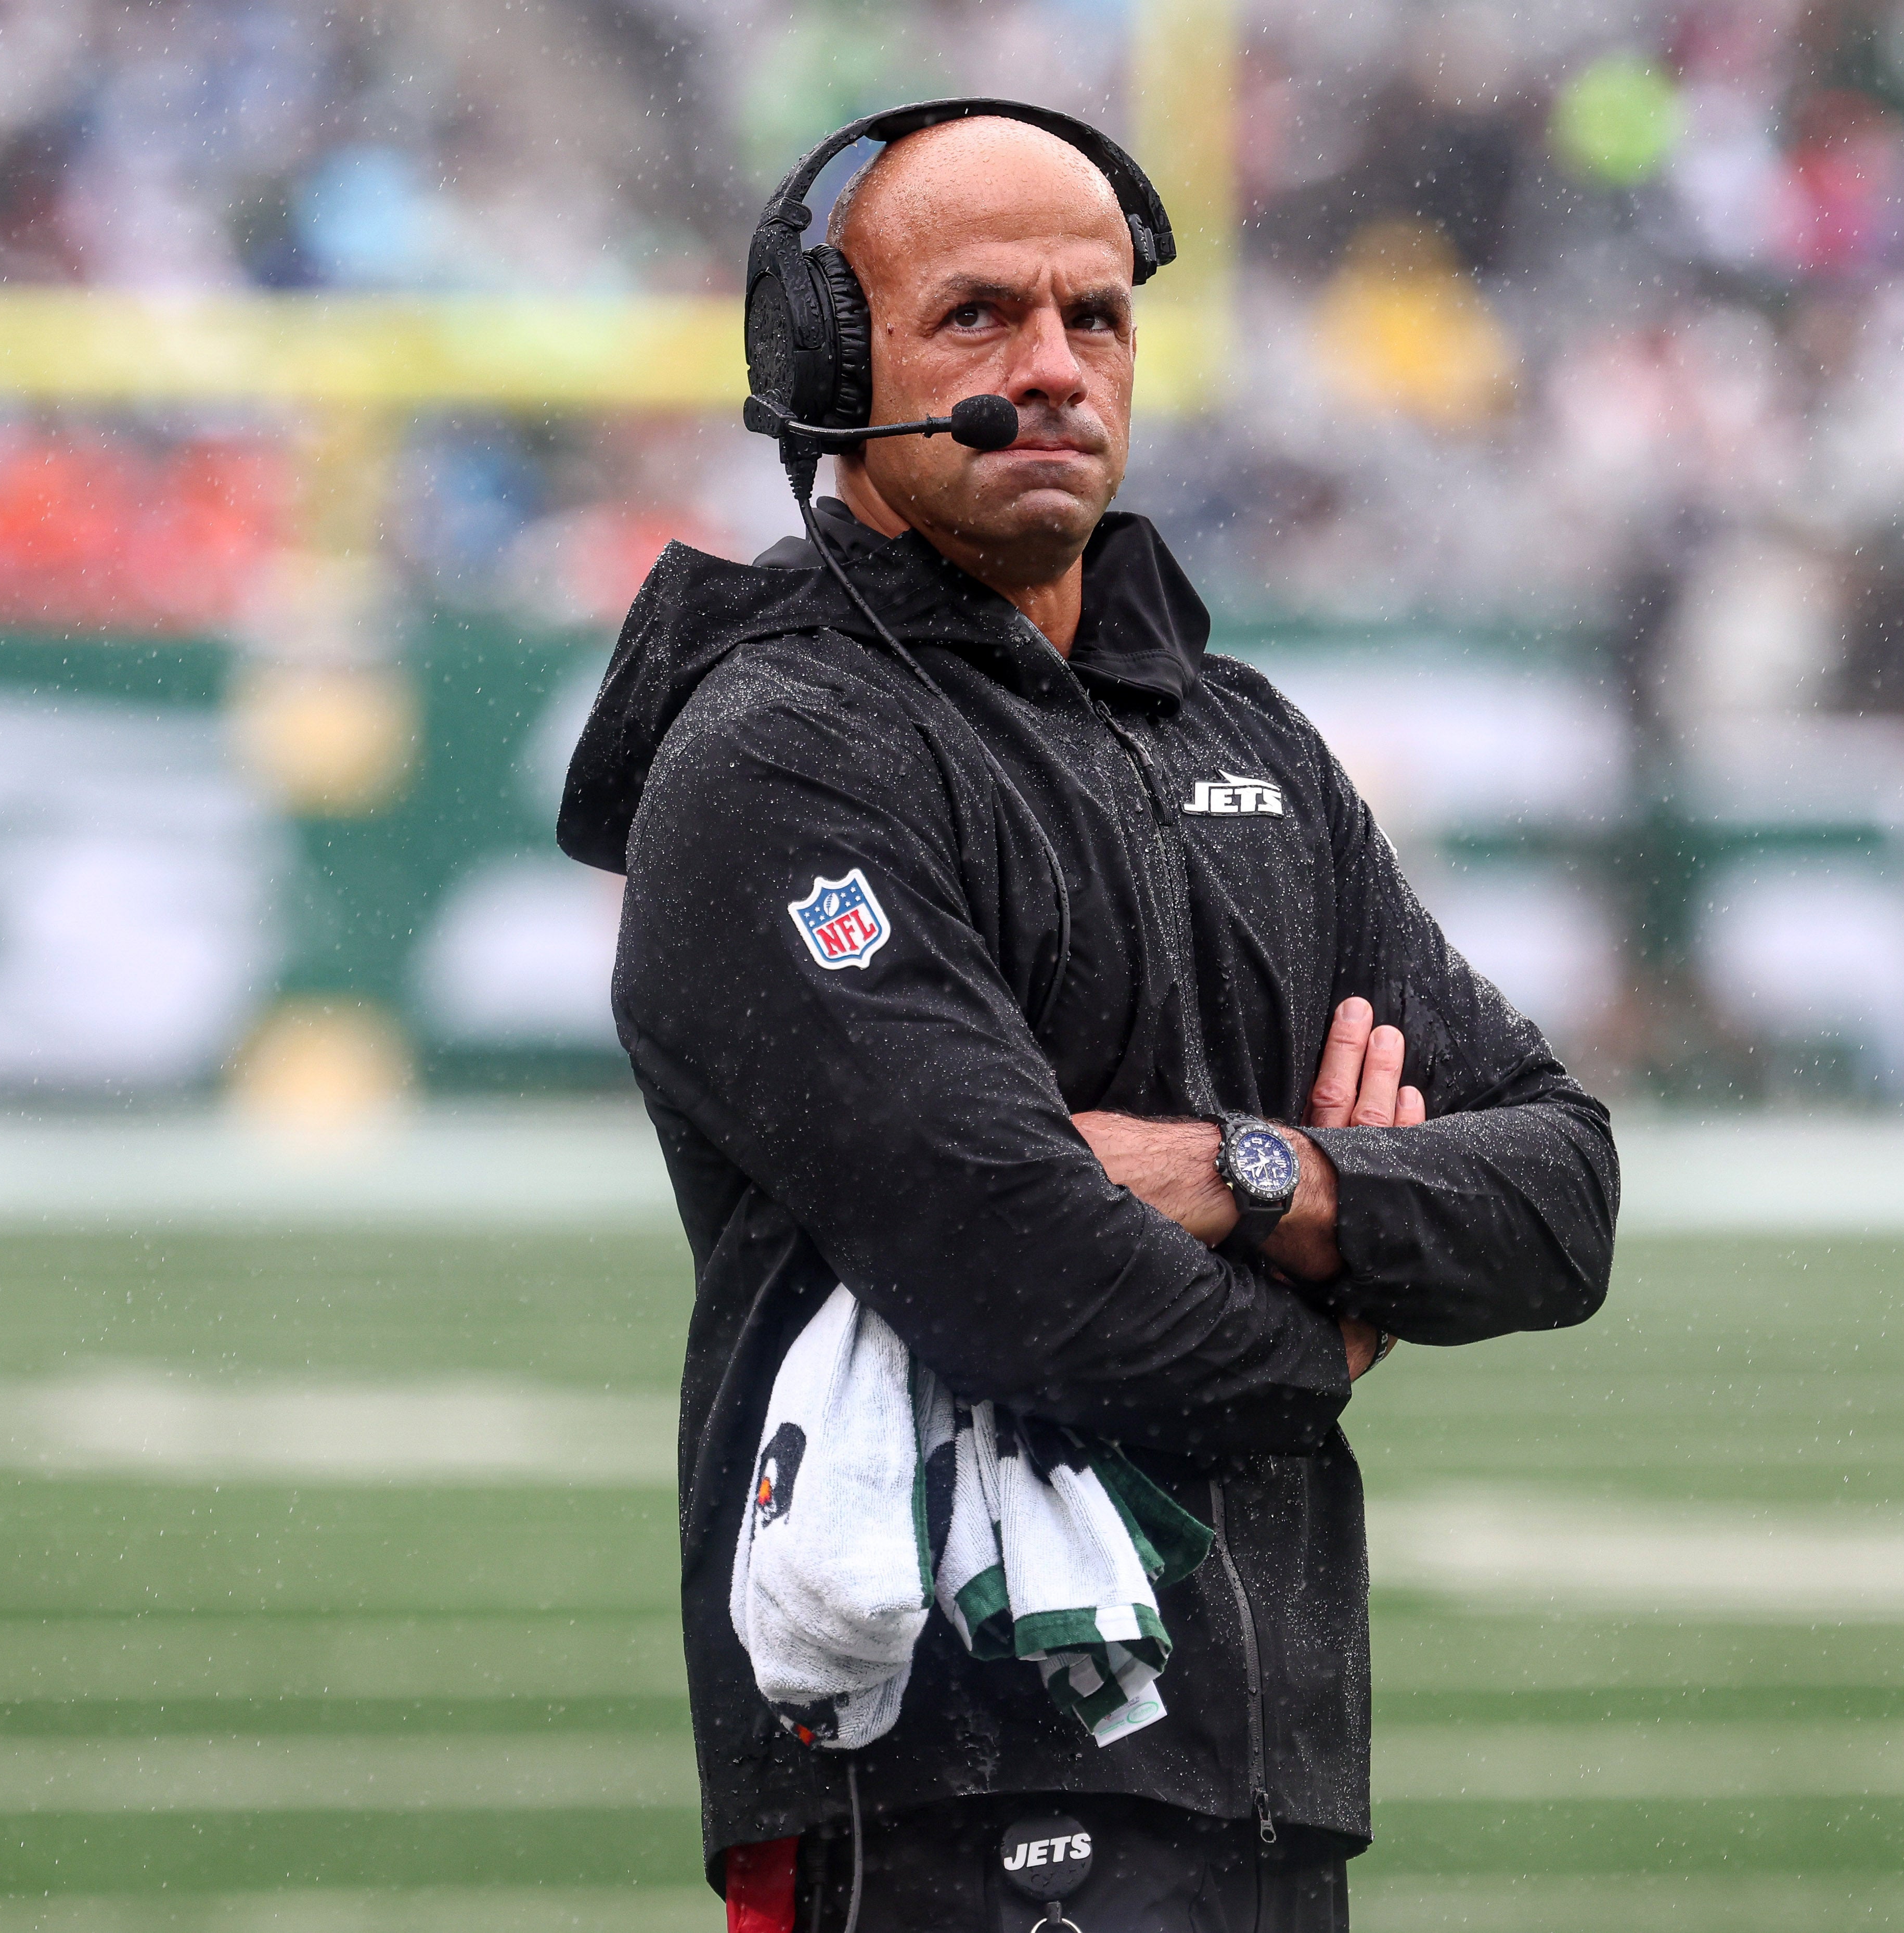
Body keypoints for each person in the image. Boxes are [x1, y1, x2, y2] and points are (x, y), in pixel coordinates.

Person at [557, 101, 1617, 1933]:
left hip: (1264, 1775)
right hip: (938, 1793)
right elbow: (1014, 1259)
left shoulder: (1247, 737)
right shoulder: (777, 755)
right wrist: (1342, 1321)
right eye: (978, 315)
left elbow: (1564, 1189)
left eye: (1097, 316)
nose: (1055, 368)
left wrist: (1251, 1171)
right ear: (826, 362)